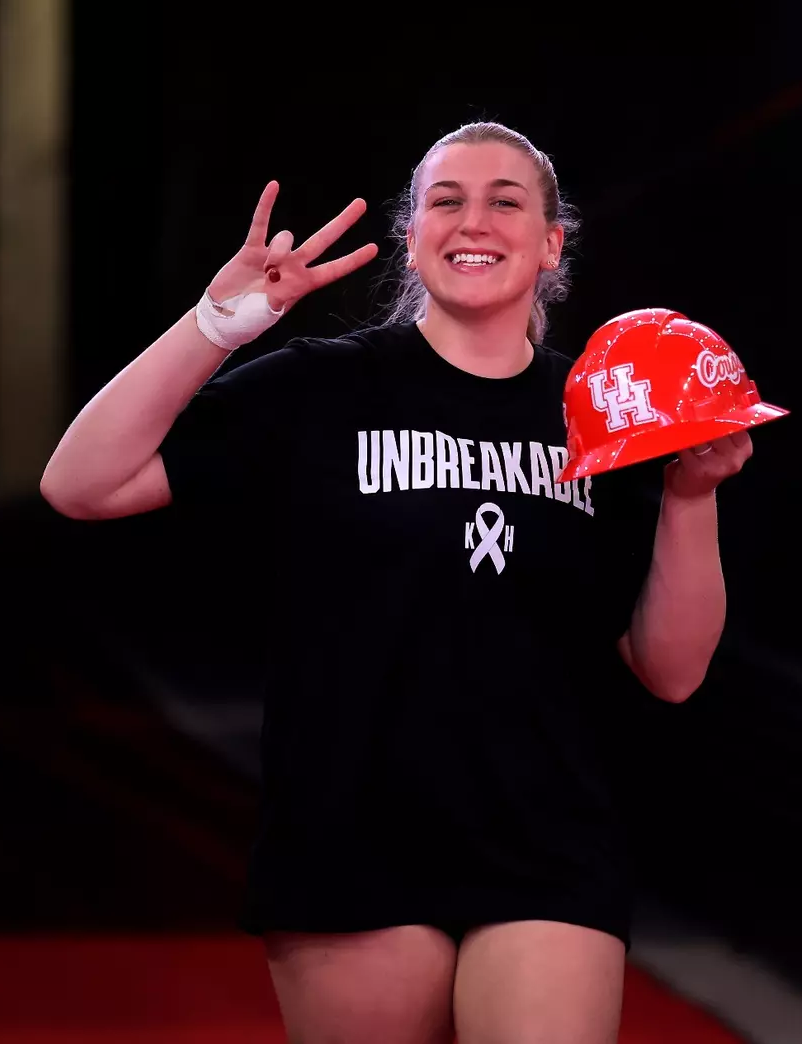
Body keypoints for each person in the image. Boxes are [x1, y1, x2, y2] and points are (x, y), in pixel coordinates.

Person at [40, 121, 755, 1044]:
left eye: (507, 200)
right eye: (446, 201)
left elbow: (673, 670)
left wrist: (690, 496)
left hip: (547, 844)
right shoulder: (323, 386)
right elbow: (80, 483)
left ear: (550, 243)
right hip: (351, 838)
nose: (475, 220)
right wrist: (221, 322)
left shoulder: (599, 411)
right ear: (413, 234)